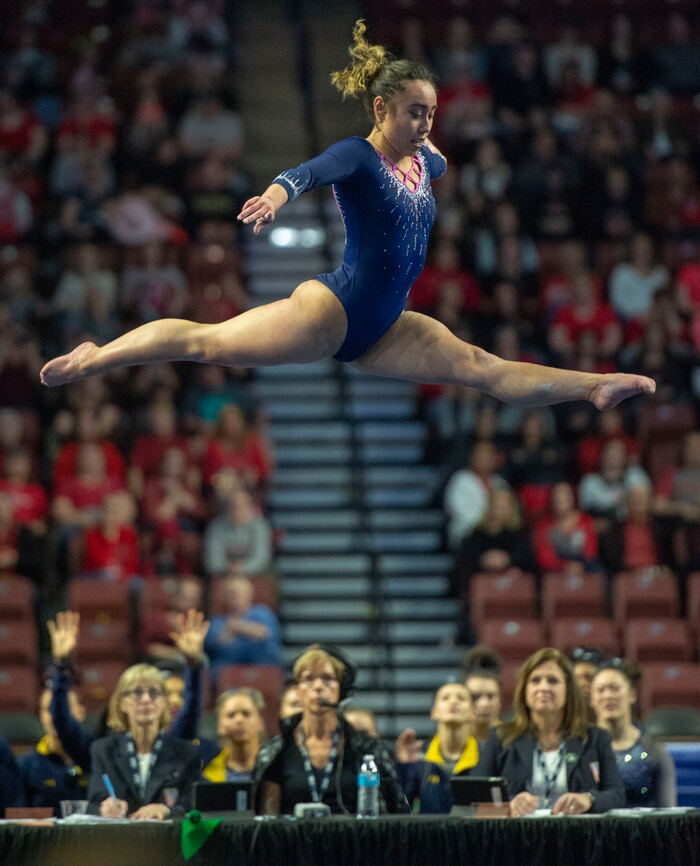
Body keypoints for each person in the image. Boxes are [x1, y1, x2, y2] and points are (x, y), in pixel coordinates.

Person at [39, 20, 655, 418]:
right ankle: (99, 356)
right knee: (207, 343)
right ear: (381, 108)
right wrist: (279, 195)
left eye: (432, 113)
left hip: (387, 328)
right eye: (415, 113)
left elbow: (433, 166)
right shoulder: (358, 156)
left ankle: (593, 384)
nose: (425, 124)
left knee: (482, 369)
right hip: (330, 312)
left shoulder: (423, 162)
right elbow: (311, 170)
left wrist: (432, 153)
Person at [255, 644, 407, 815]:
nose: (318, 686)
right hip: (294, 840)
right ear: (297, 691)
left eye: (327, 678)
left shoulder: (368, 750)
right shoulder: (275, 753)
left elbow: (396, 815)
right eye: (309, 679)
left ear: (340, 690)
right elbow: (267, 824)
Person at [473, 647, 625, 816]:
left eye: (553, 681)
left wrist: (588, 799)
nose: (543, 687)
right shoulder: (500, 737)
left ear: (568, 690)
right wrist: (508, 806)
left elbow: (617, 796)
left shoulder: (595, 739)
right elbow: (473, 799)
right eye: (535, 680)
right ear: (524, 690)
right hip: (516, 838)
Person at [86, 663, 201, 819]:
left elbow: (194, 805)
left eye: (154, 692)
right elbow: (92, 805)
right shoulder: (104, 751)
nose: (146, 699)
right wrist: (103, 809)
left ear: (164, 702)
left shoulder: (187, 753)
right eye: (137, 692)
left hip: (167, 840)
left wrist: (166, 810)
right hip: (119, 840)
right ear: (122, 703)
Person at [590, 663, 676, 808]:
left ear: (632, 695)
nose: (608, 695)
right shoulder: (581, 748)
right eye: (600, 690)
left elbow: (668, 813)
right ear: (591, 699)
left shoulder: (653, 750)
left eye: (615, 689)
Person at [395, 681, 478, 813]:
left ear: (473, 712)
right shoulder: (420, 756)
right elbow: (402, 808)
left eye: (461, 698)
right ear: (434, 712)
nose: (453, 701)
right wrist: (405, 767)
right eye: (445, 698)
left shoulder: (485, 755)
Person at [19, 678, 89, 814]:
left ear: (81, 712)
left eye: (63, 708)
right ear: (40, 716)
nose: (55, 716)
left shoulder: (97, 759)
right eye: (48, 709)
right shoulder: (26, 766)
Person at [203, 574, 282, 677]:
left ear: (249, 594)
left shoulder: (263, 613)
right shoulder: (216, 621)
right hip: (227, 676)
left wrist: (235, 627)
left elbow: (264, 633)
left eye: (237, 594)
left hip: (262, 672)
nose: (234, 598)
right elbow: (217, 645)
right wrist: (249, 631)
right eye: (229, 594)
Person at [200, 688, 265, 782]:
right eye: (231, 715)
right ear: (220, 726)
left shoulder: (274, 768)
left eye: (246, 714)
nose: (239, 720)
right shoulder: (208, 774)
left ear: (260, 722)